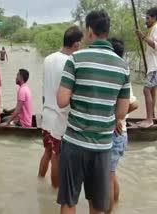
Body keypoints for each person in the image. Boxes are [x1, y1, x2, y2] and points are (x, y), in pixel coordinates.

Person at [56, 10, 130, 214]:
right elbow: (122, 113)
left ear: (90, 31)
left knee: (69, 201)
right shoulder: (123, 67)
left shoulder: (76, 59)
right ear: (107, 31)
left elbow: (61, 101)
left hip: (74, 143)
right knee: (97, 206)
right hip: (102, 146)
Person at [38, 26, 83, 188]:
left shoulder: (48, 59)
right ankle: (54, 192)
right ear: (76, 44)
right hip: (61, 118)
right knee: (57, 156)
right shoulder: (72, 62)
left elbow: (45, 89)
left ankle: (40, 181)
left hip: (46, 114)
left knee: (47, 153)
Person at [106, 38, 139, 214]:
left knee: (108, 179)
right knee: (111, 175)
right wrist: (120, 117)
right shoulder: (121, 71)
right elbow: (132, 104)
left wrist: (117, 118)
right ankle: (116, 205)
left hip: (115, 134)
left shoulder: (117, 72)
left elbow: (135, 104)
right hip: (120, 133)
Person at [136, 7, 157, 128]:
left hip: (155, 67)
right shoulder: (153, 29)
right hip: (152, 66)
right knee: (152, 91)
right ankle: (151, 118)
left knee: (146, 90)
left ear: (154, 18)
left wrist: (143, 37)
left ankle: (149, 119)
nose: (146, 21)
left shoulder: (156, 28)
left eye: (148, 18)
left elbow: (155, 45)